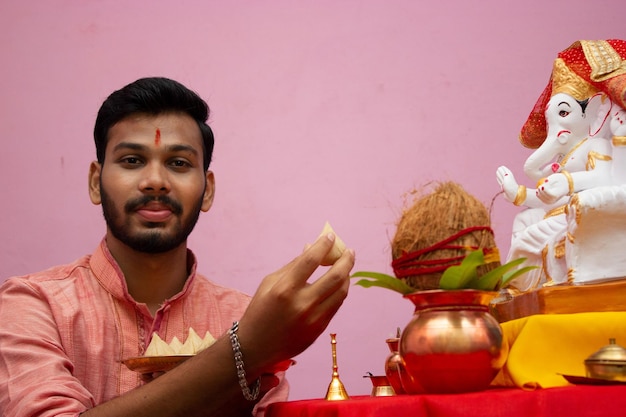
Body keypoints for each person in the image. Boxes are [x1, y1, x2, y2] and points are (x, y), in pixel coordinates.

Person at [0, 77, 355, 417]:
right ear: (96, 182)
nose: (155, 181)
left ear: (208, 190)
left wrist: (253, 337)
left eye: (179, 163)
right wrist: (245, 349)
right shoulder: (32, 305)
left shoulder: (246, 314)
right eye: (132, 161)